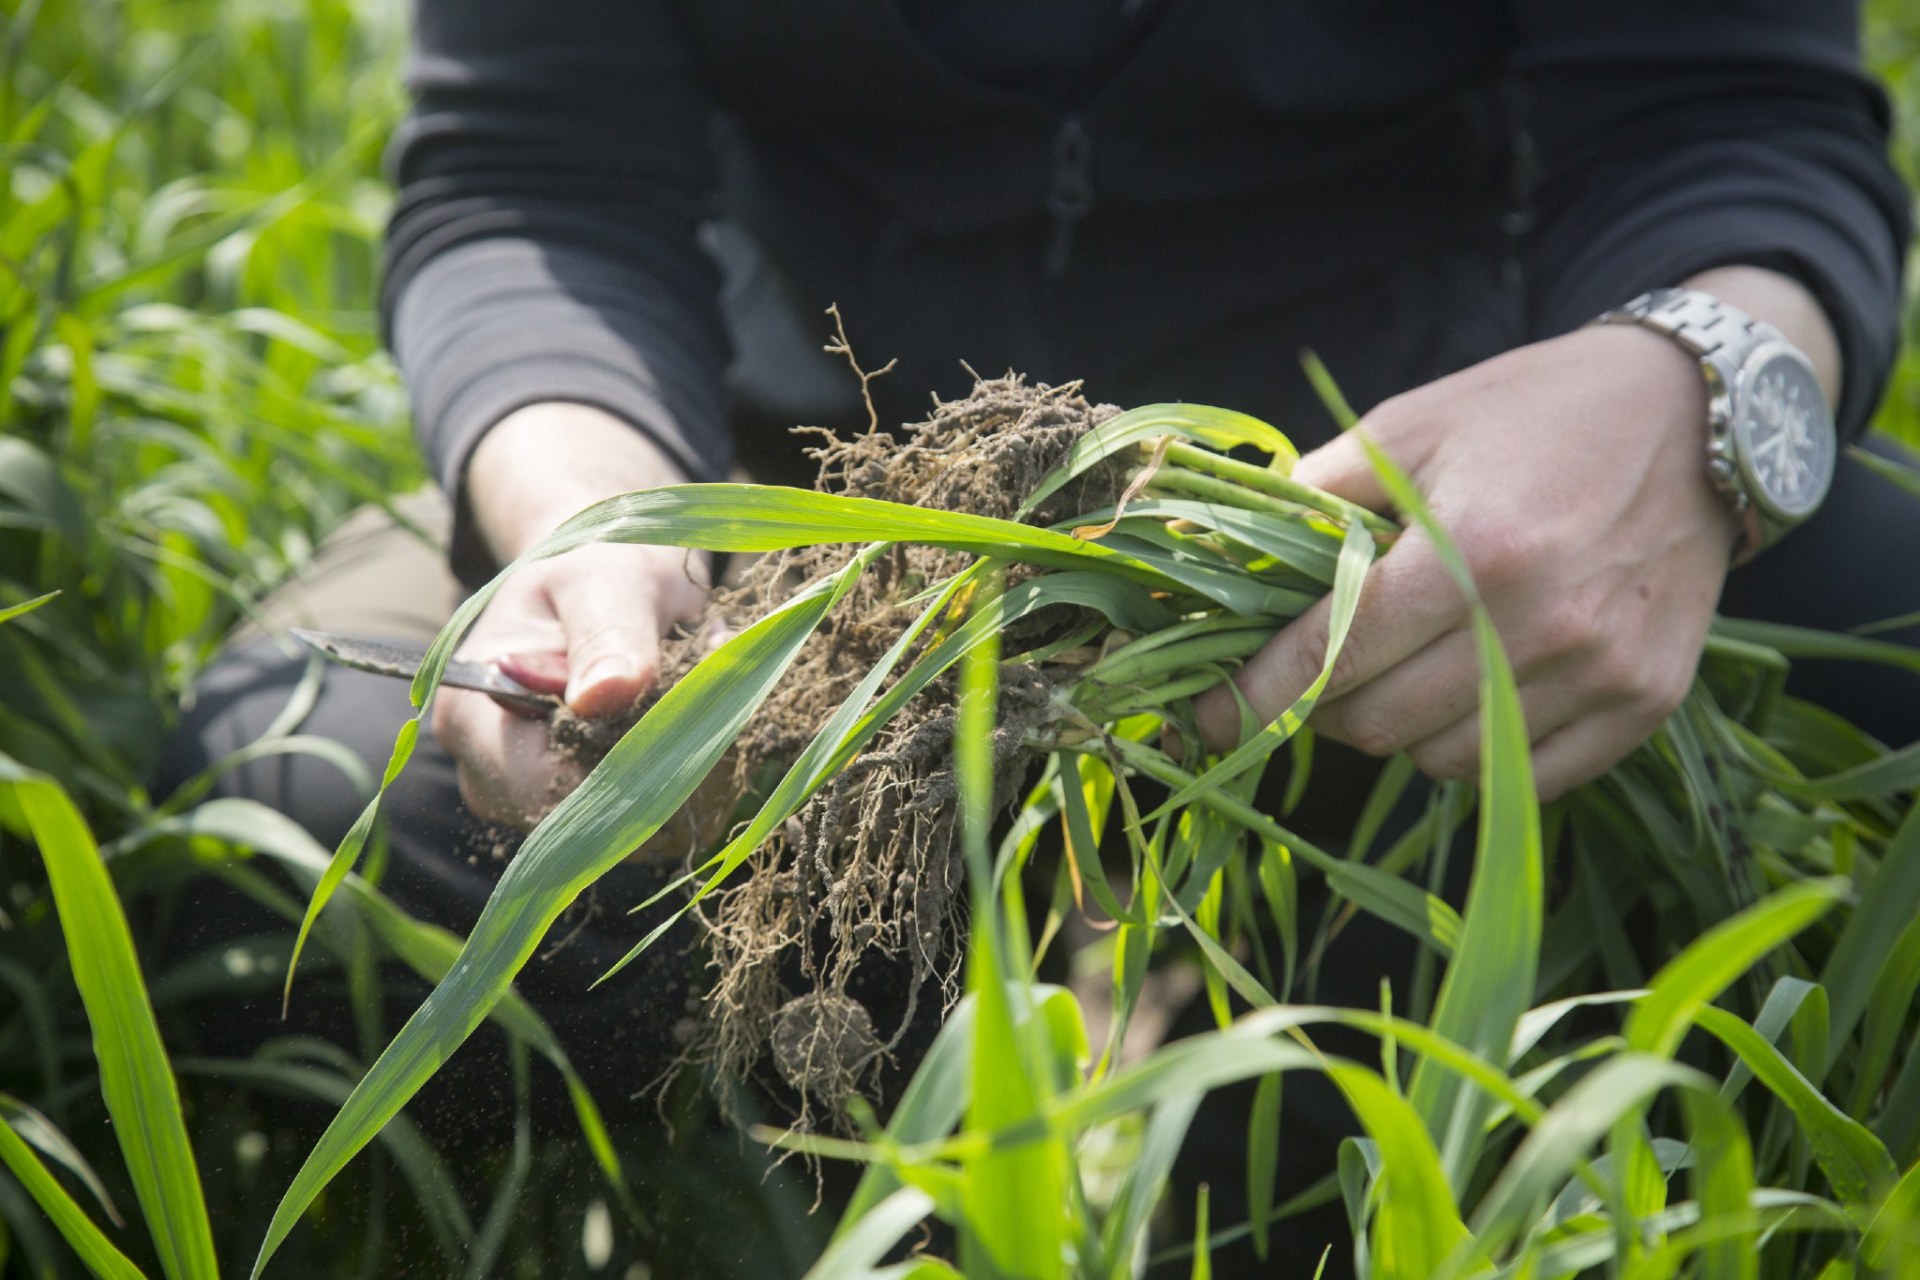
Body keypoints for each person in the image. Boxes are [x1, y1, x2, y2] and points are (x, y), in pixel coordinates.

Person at [162, 1, 1918, 1275]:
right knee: (299, 781)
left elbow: (1723, 111)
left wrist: (1693, 387)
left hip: (1416, 492)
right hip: (795, 491)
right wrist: (595, 529)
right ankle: (819, 1092)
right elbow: (536, 173)